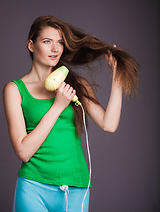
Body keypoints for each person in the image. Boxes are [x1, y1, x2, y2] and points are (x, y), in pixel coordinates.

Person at [3, 16, 139, 212]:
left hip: (76, 189)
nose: (55, 49)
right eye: (47, 41)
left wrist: (118, 77)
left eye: (59, 42)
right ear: (31, 45)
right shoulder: (14, 89)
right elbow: (23, 152)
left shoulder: (76, 85)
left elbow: (109, 124)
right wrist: (58, 106)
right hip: (34, 187)